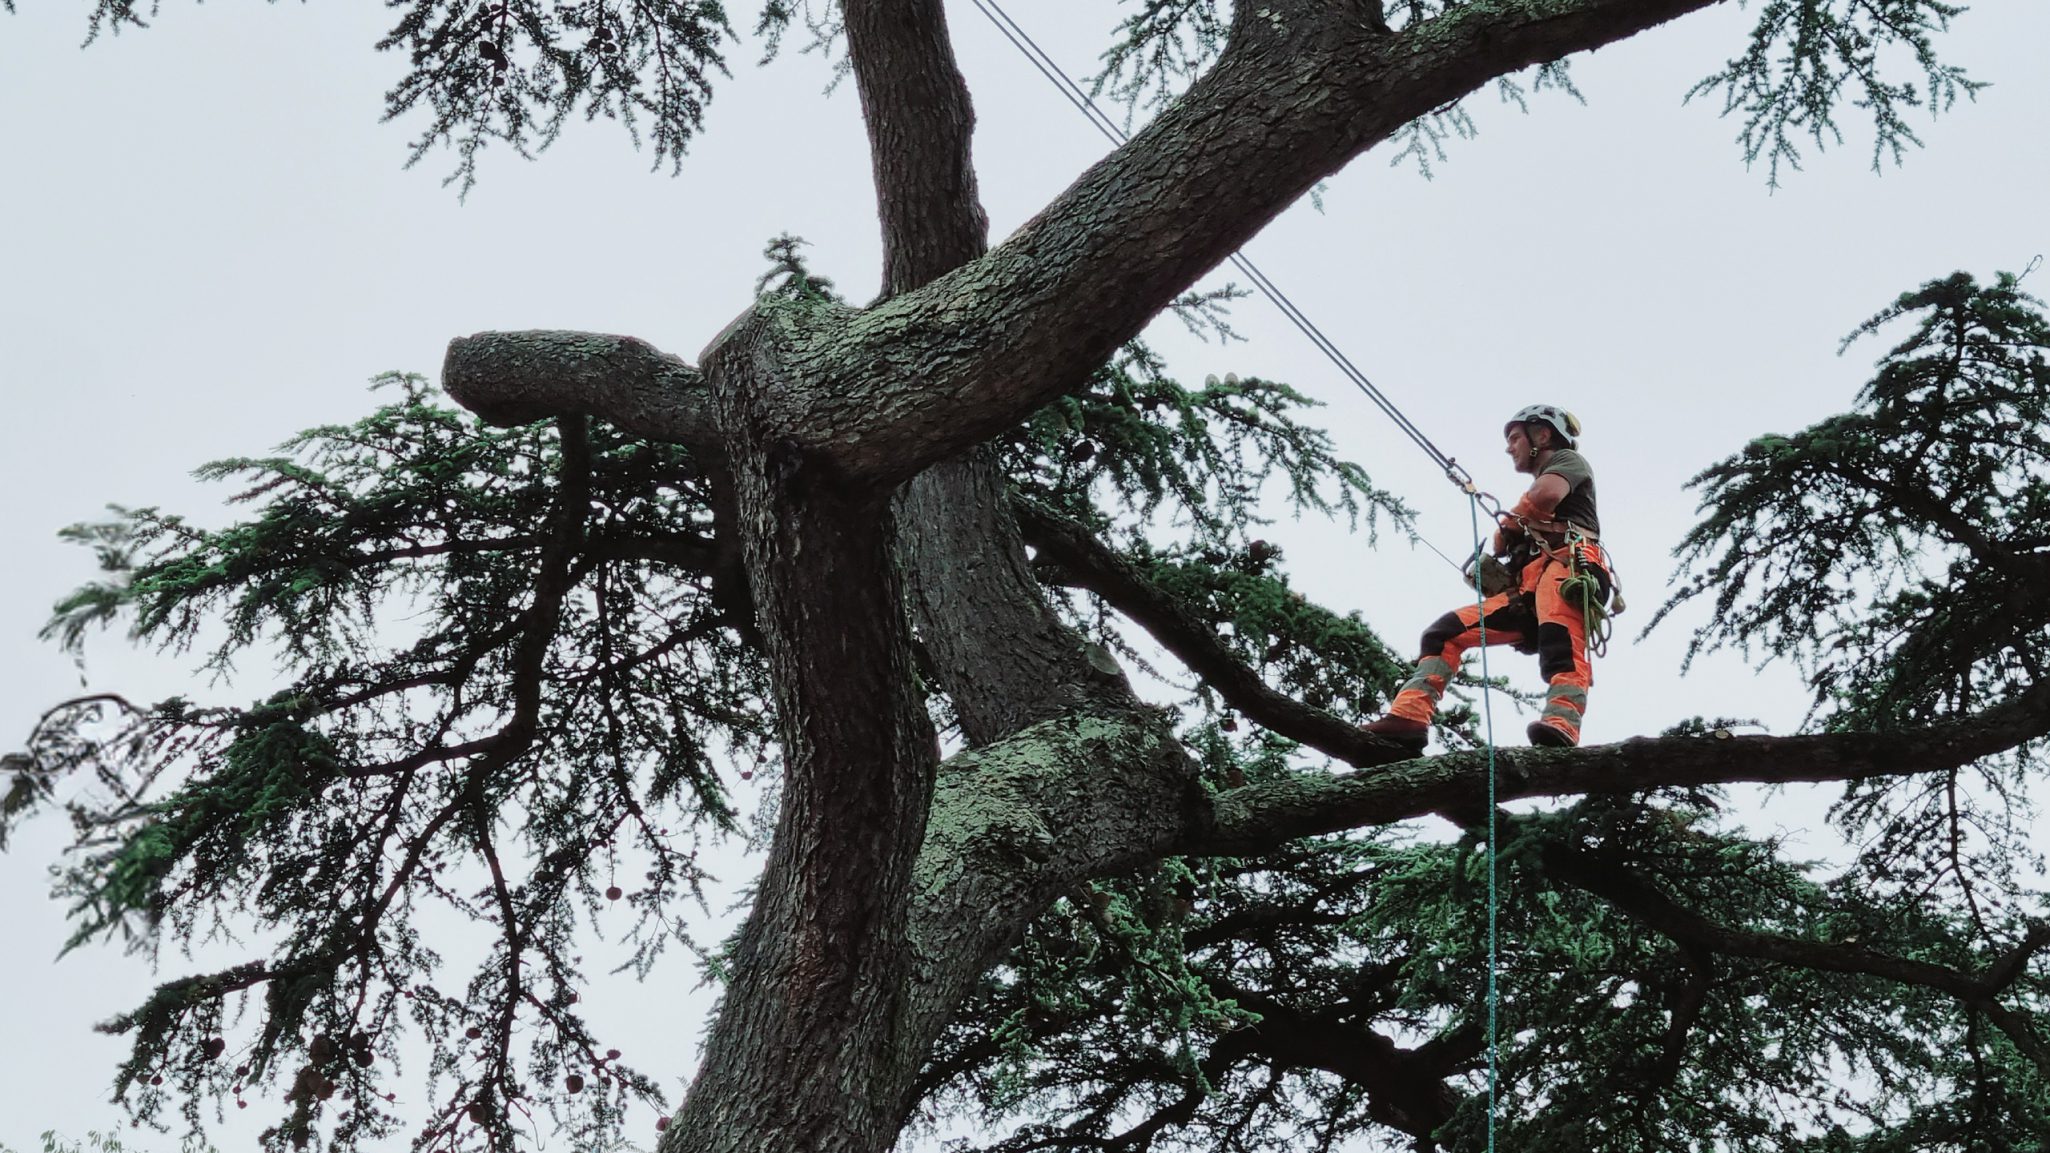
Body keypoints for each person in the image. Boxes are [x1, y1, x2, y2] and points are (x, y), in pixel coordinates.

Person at [1361, 404, 1610, 752]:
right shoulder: (1534, 504)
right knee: (1443, 633)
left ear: (1542, 434)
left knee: (1560, 644)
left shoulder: (1568, 462)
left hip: (1568, 567)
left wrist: (1508, 527)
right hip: (1529, 586)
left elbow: (1547, 495)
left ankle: (1562, 724)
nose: (1509, 447)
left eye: (1514, 437)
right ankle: (1409, 718)